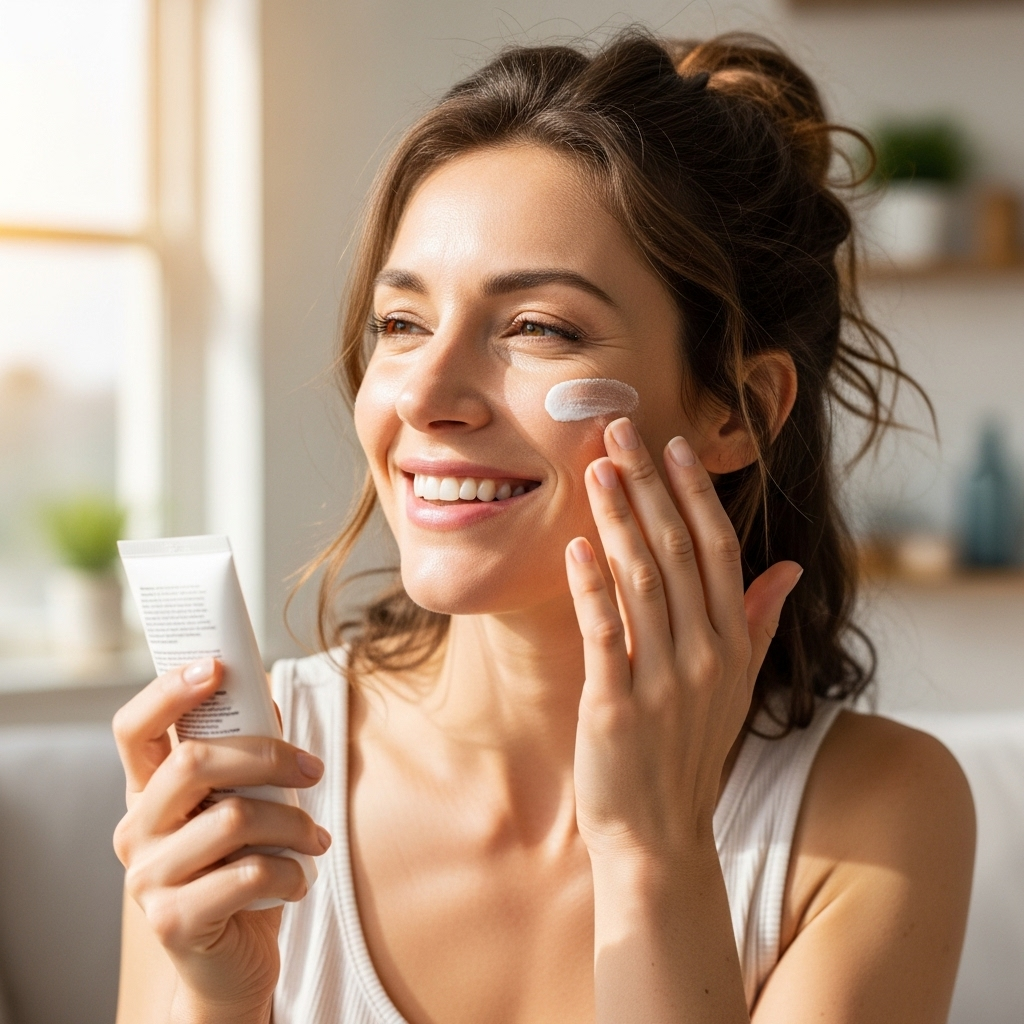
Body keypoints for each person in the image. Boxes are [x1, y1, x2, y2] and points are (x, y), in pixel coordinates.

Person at [112, 29, 975, 1024]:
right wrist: (221, 1000)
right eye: (402, 324)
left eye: (536, 328)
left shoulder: (871, 814)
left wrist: (653, 854)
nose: (426, 397)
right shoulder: (235, 783)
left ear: (737, 408)